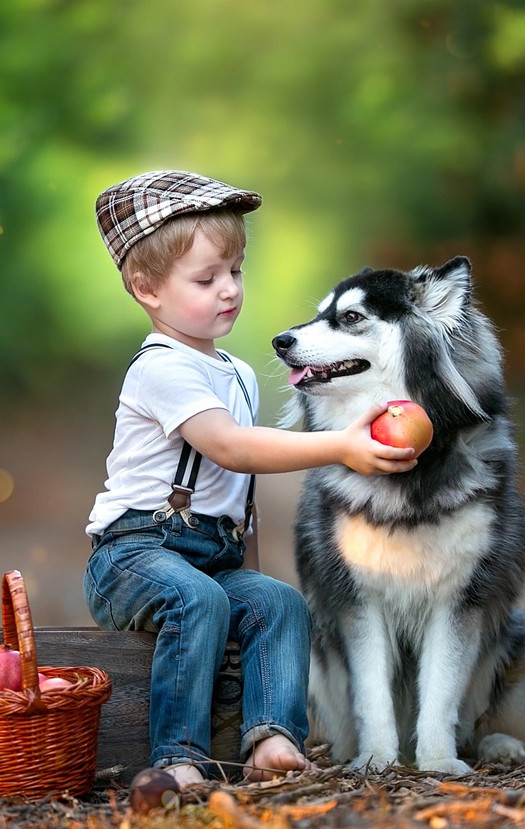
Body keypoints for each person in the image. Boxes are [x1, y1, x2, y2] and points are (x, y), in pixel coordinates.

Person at [84, 170, 417, 787]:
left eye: (236, 272)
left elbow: (239, 495)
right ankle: (178, 757)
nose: (229, 290)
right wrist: (340, 445)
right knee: (199, 599)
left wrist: (250, 575)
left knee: (279, 602)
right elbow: (231, 449)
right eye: (206, 279)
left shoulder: (235, 371)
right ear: (147, 288)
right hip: (132, 556)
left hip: (211, 557)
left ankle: (270, 740)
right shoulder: (160, 368)